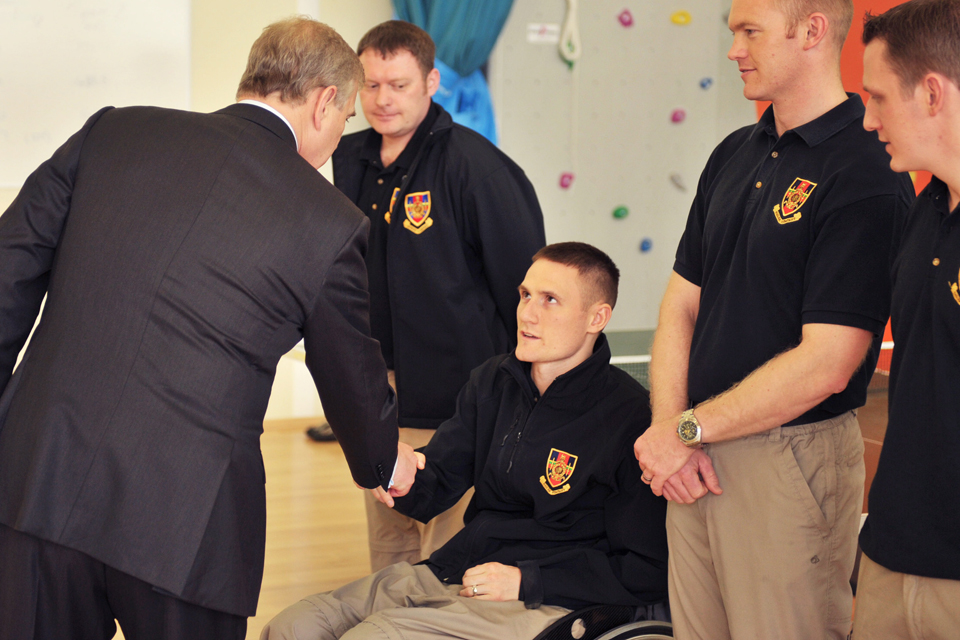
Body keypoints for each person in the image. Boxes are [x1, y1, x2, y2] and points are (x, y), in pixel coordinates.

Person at [0, 17, 422, 640]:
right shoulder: (328, 221)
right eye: (347, 118)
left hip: (39, 479)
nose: (339, 136)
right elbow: (348, 372)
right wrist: (384, 461)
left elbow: (8, 278)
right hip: (185, 523)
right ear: (325, 102)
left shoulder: (113, 131)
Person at [633, 0, 915, 638]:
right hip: (695, 453)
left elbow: (829, 361)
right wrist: (672, 430)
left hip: (788, 455)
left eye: (750, 32)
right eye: (734, 32)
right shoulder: (735, 151)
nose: (733, 49)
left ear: (812, 31)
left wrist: (686, 430)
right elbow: (681, 304)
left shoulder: (867, 166)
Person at [263, 242, 669, 640]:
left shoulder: (631, 418)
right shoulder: (493, 381)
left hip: (548, 600)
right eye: (525, 295)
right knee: (293, 627)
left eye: (550, 300)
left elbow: (645, 570)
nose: (527, 313)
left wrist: (528, 581)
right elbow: (435, 482)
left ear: (597, 317)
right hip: (460, 569)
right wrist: (393, 471)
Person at [306, 20, 546, 572]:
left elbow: (527, 289)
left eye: (399, 85)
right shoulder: (346, 161)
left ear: (432, 82)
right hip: (375, 397)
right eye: (370, 86)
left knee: (445, 551)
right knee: (388, 540)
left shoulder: (477, 169)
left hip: (456, 400)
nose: (382, 100)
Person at [853, 2, 960, 637]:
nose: (868, 120)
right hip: (892, 551)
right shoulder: (925, 211)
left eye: (877, 98)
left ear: (931, 91)